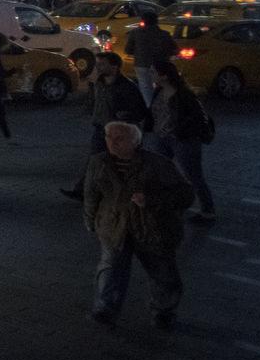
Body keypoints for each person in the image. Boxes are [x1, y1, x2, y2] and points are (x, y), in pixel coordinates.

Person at [85, 121, 192, 328]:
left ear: (136, 141)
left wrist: (151, 200)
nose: (112, 143)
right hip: (115, 226)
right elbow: (91, 194)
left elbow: (185, 194)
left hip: (152, 228)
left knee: (162, 271)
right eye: (108, 137)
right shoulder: (98, 162)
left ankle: (164, 311)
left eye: (119, 139)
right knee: (110, 270)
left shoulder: (158, 164)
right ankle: (105, 309)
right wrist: (91, 221)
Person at [62, 53, 150, 200]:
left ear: (114, 66)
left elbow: (140, 111)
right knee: (95, 161)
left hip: (118, 132)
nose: (98, 67)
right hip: (101, 129)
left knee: (115, 163)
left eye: (102, 64)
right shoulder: (100, 83)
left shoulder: (127, 87)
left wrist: (125, 116)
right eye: (98, 64)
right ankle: (84, 191)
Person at [147, 59, 216, 222]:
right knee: (159, 171)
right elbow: (154, 113)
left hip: (183, 139)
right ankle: (167, 203)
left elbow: (196, 118)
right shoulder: (159, 91)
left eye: (153, 72)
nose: (151, 75)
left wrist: (180, 131)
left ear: (163, 76)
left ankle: (208, 210)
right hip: (162, 137)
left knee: (193, 175)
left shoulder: (184, 95)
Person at [123, 13, 172, 105]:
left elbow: (128, 50)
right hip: (161, 65)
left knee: (145, 87)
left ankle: (150, 107)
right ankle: (163, 105)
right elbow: (173, 49)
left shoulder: (135, 33)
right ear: (156, 21)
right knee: (162, 86)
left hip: (142, 64)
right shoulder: (164, 34)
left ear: (143, 21)